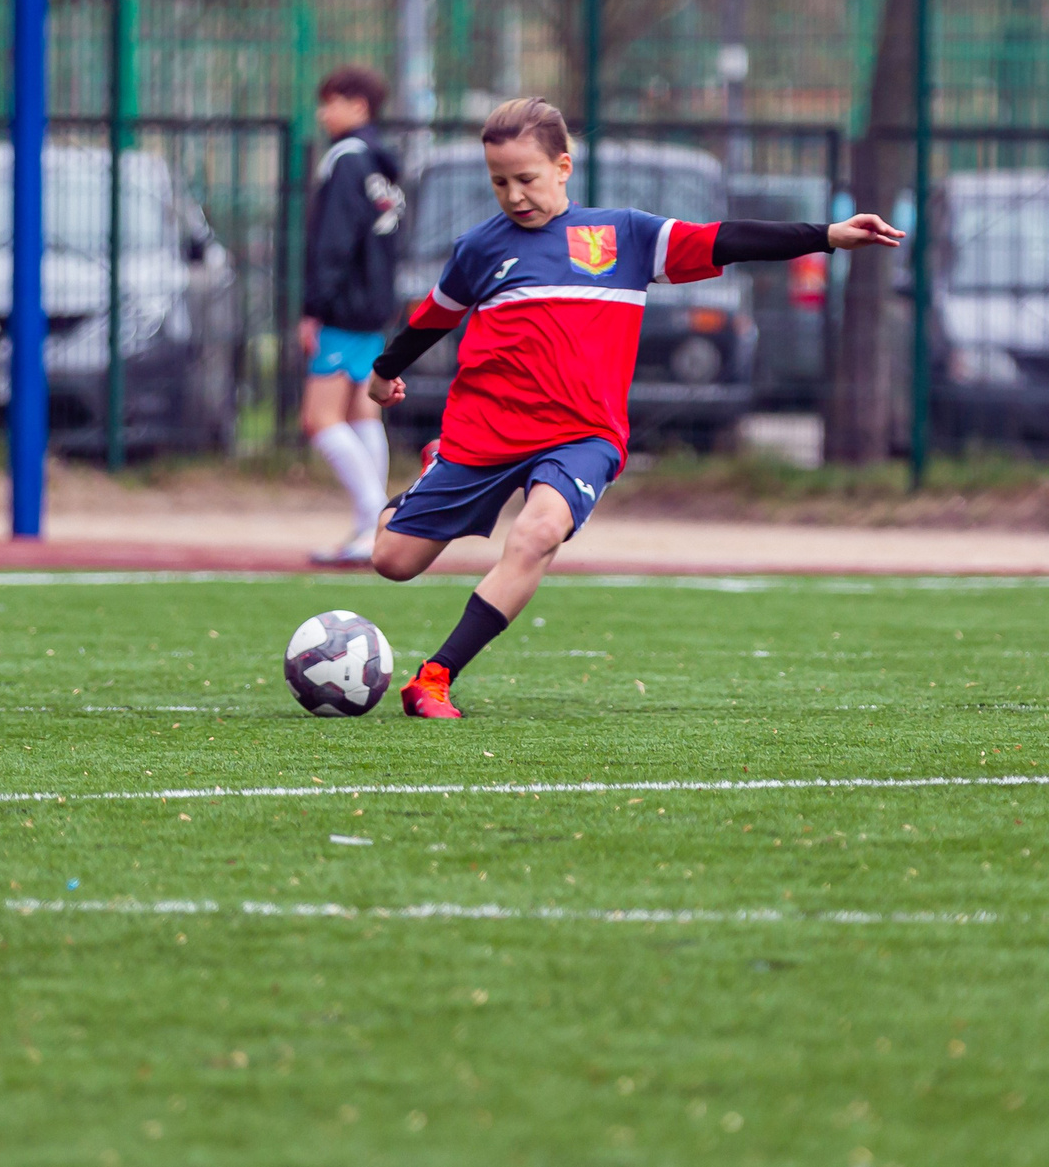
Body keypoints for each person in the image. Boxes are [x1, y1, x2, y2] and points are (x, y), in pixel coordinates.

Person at [365, 97, 903, 717]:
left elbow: (723, 239)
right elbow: (433, 318)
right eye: (499, 182)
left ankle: (435, 678)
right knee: (392, 561)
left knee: (537, 533)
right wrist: (384, 373)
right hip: (486, 430)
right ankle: (432, 471)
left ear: (563, 167)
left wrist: (826, 235)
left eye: (527, 178)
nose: (514, 195)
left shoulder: (623, 237)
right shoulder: (480, 249)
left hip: (582, 436)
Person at [300, 66, 407, 565]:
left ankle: (377, 523)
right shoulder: (381, 164)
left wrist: (313, 307)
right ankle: (373, 528)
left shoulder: (345, 160)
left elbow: (333, 242)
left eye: (331, 101)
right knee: (362, 413)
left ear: (358, 106)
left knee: (319, 419)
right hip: (375, 307)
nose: (323, 113)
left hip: (344, 308)